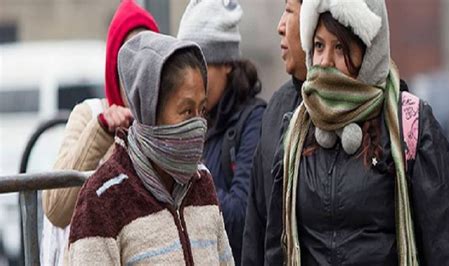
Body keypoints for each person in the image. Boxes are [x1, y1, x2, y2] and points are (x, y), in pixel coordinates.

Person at [265, 0, 449, 265]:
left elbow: (443, 250)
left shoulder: (410, 125)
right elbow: (275, 249)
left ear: (369, 52)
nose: (326, 61)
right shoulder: (295, 131)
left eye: (340, 47)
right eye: (319, 45)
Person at [67, 31, 234, 265]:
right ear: (150, 111)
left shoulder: (202, 183)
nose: (198, 125)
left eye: (202, 110)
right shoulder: (103, 199)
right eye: (186, 111)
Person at [40, 1, 158, 264]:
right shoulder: (90, 115)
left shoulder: (165, 120)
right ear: (114, 67)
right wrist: (101, 131)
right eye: (128, 59)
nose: (138, 71)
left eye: (148, 58)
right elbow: (55, 208)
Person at [177, 1, 265, 264]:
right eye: (184, 68)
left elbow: (241, 219)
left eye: (201, 66)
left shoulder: (254, 121)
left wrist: (186, 167)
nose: (191, 80)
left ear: (227, 63)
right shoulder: (196, 120)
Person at [241, 0, 307, 264]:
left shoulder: (379, 117)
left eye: (290, 11)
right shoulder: (277, 109)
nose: (280, 26)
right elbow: (255, 227)